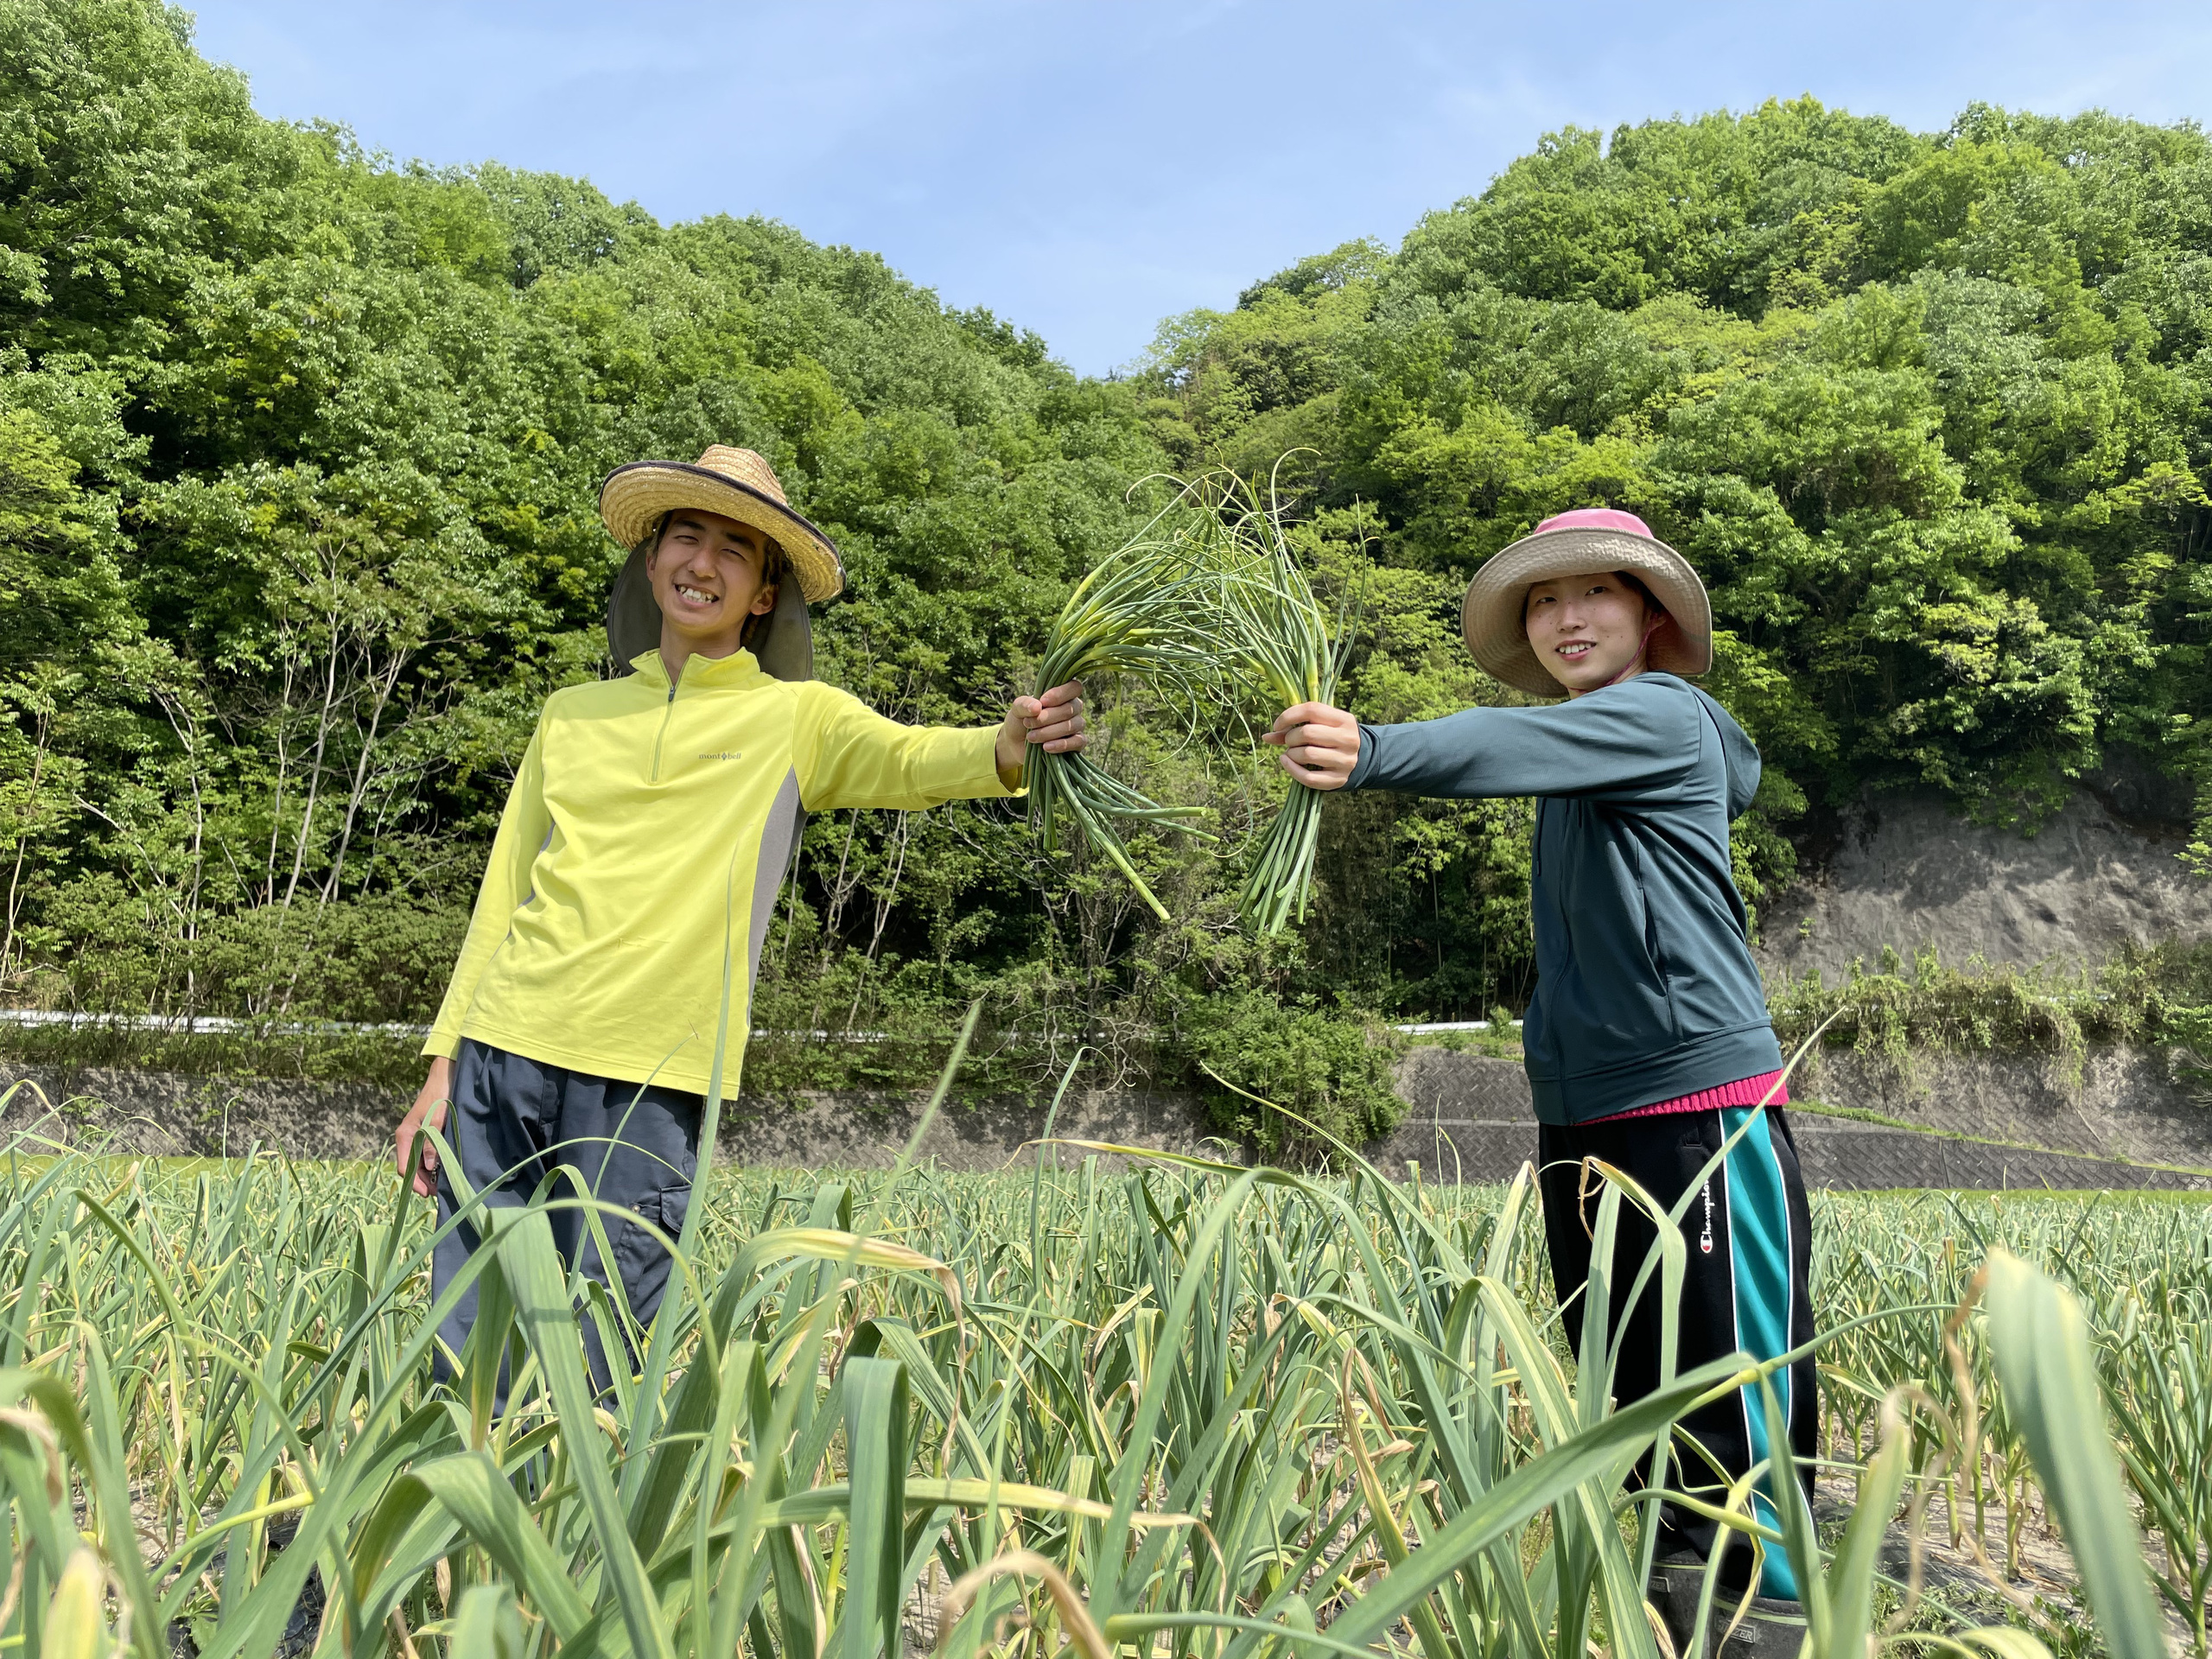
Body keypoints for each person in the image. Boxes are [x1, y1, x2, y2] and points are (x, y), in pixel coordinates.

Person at [394, 444, 1085, 1384]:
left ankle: (575, 1528)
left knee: (601, 1350)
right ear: (651, 561)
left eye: (734, 549)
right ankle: (432, 1521)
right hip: (504, 1047)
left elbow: (918, 760)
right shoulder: (572, 712)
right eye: (686, 535)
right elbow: (504, 891)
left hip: (651, 1072)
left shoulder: (796, 718)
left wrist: (1009, 743)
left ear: (762, 594)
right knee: (466, 1331)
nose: (703, 562)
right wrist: (443, 1063)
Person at [1264, 507, 1811, 1646]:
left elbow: (1494, 744)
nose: (1567, 617)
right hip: (1586, 1115)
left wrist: (1370, 750)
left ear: (1652, 617)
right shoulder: (1584, 753)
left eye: (1595, 594)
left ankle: (1775, 1612)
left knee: (1730, 1380)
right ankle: (1677, 1590)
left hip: (1699, 1105)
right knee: (1631, 1373)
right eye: (1545, 602)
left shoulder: (1664, 717)